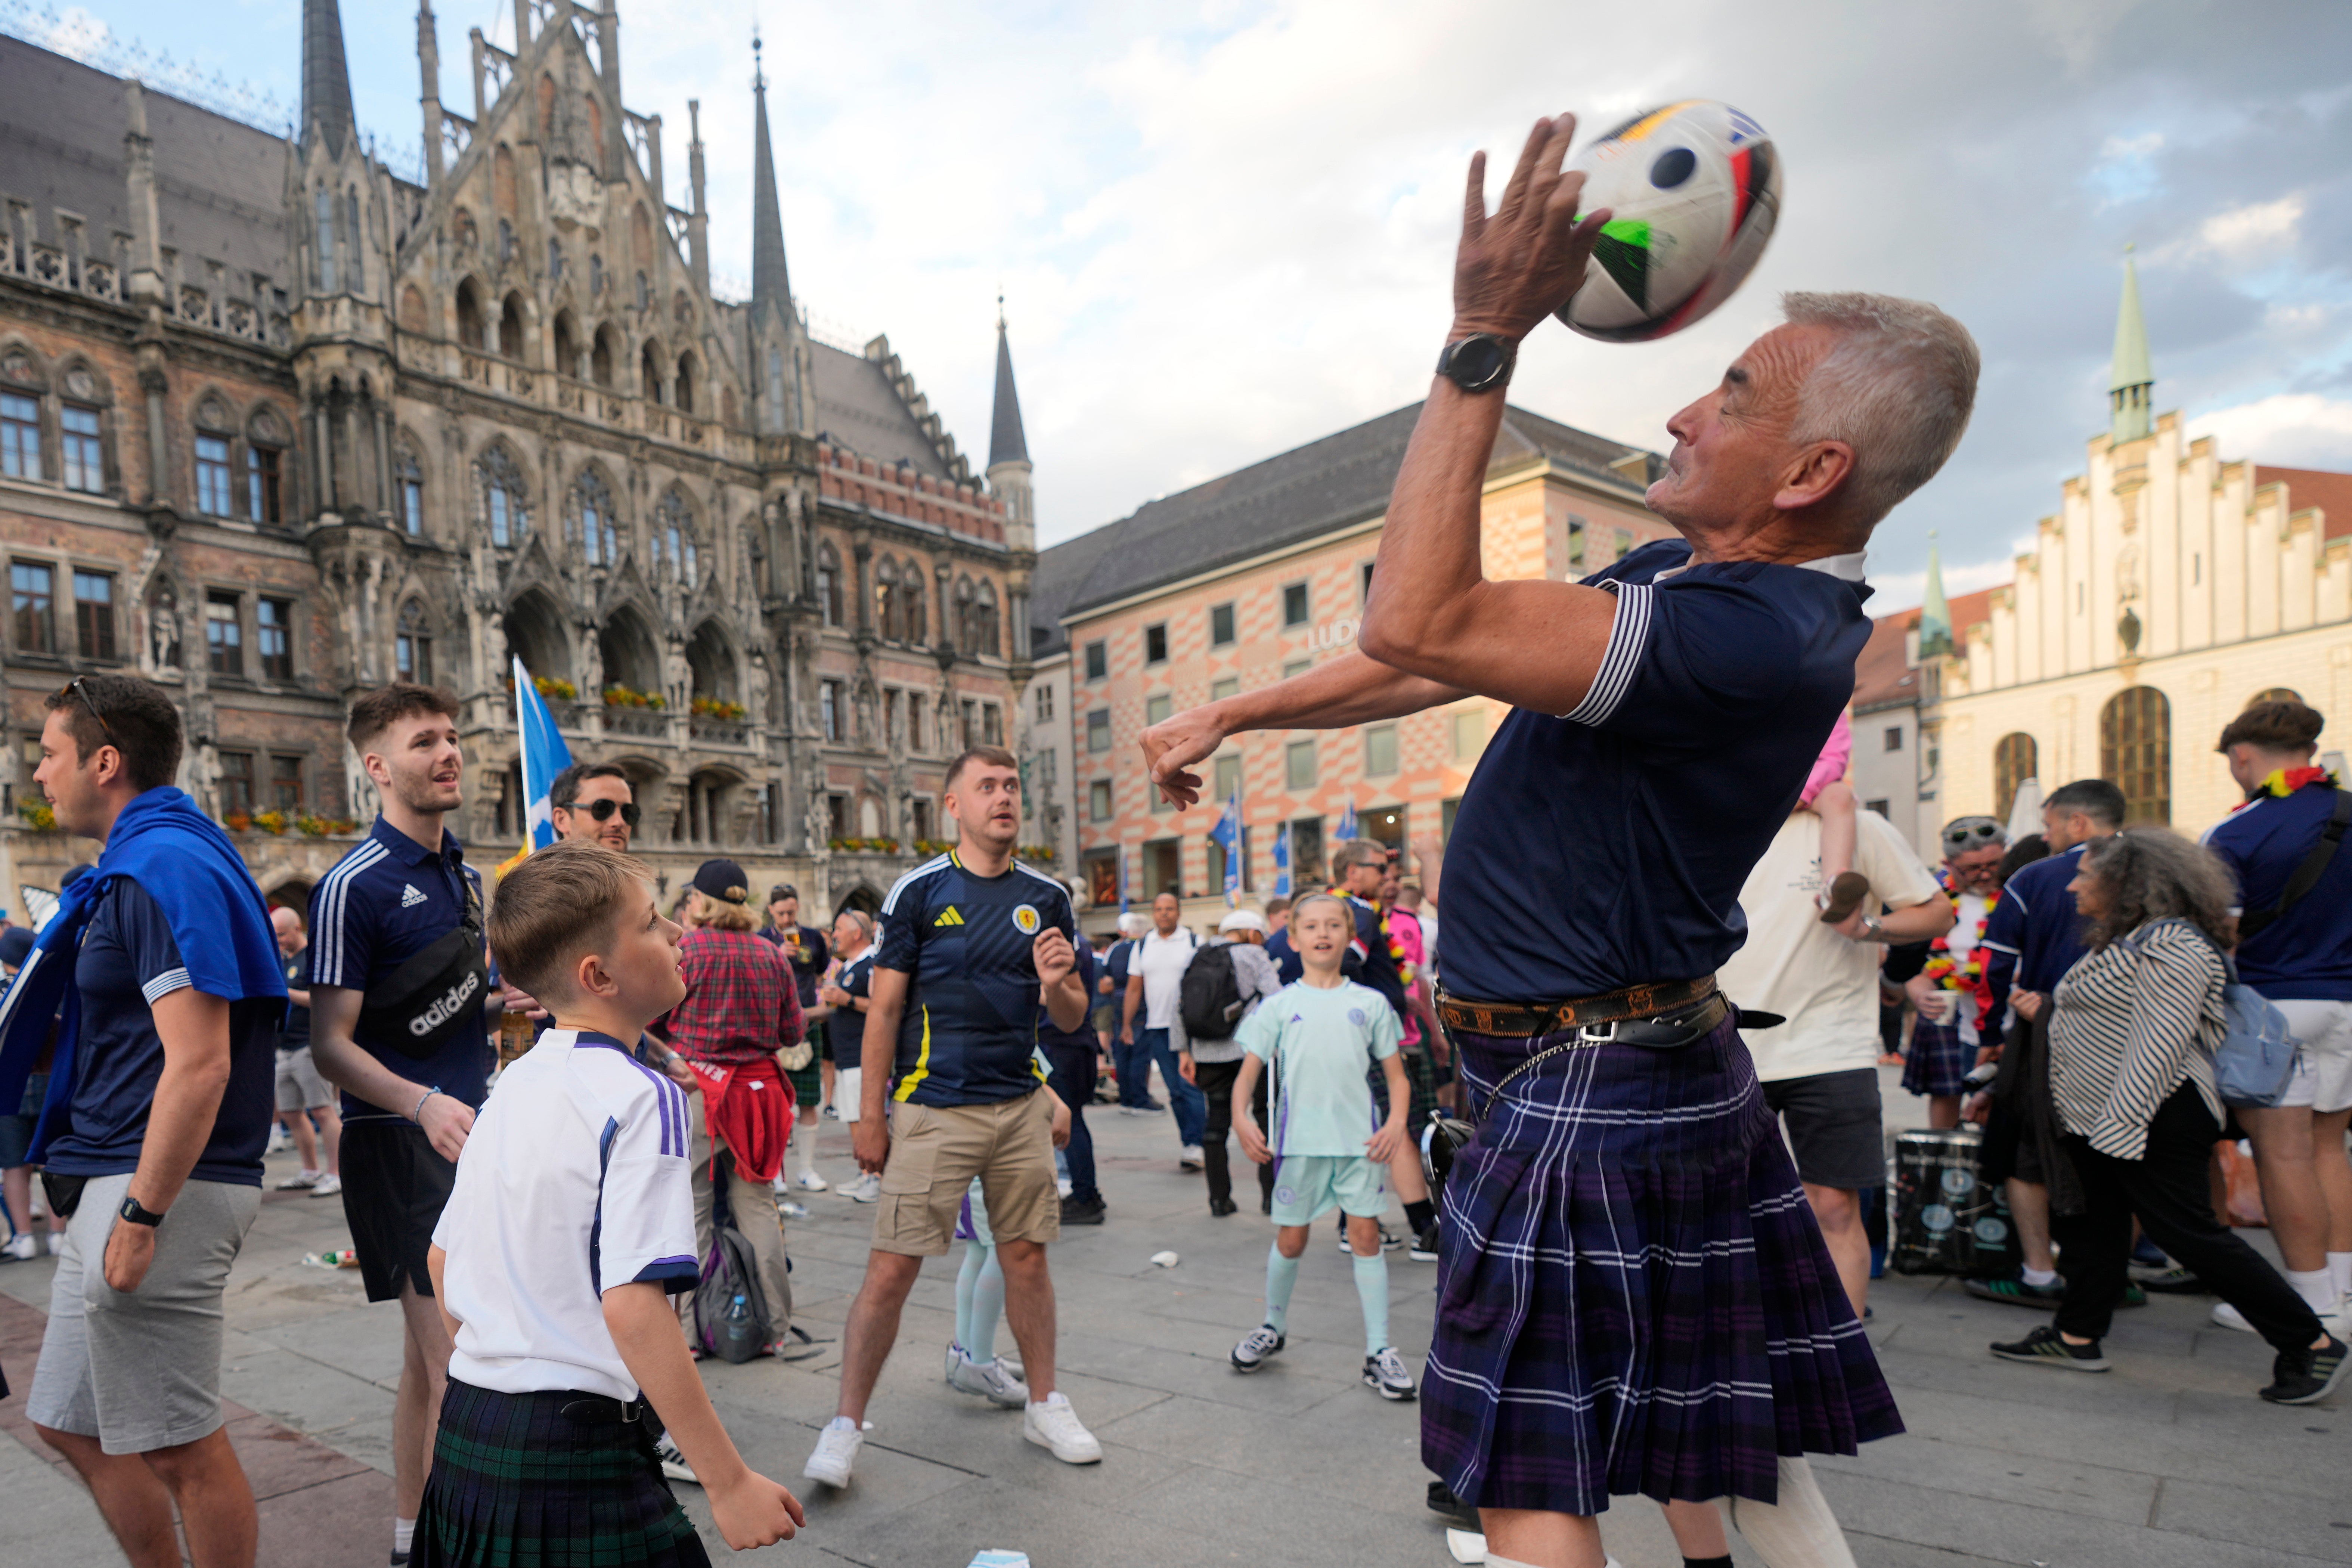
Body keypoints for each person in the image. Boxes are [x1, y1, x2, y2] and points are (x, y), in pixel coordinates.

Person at [1143, 116, 1972, 1566]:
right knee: (1724, 1433)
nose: (1679, 416)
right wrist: (1237, 706)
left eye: (1726, 394)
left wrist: (1479, 334)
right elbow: (1446, 658)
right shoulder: (1699, 579)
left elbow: (1420, 614)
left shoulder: (1750, 634)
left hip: (1588, 1072)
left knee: (1528, 1474)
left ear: (1805, 471)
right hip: (1632, 1056)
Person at [424, 838, 803, 1566]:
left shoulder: (512, 1085)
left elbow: (443, 1261)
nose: (676, 933)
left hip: (473, 1420)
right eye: (654, 920)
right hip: (575, 1441)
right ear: (598, 975)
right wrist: (727, 1482)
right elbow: (634, 1306)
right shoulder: (643, 1096)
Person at [7, 674, 285, 1568]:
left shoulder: (162, 865)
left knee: (178, 1442)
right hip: (118, 1173)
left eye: (48, 754)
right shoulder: (153, 858)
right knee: (68, 1419)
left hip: (159, 1185)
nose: (39, 775)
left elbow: (201, 1059)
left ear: (105, 759)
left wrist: (140, 1213)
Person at [802, 746, 1097, 1487]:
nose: (1003, 797)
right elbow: (887, 1008)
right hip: (933, 1109)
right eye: (986, 786)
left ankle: (1044, 1401)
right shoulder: (918, 891)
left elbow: (1070, 1012)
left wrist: (1058, 981)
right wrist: (870, 1116)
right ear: (955, 807)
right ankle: (844, 1424)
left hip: (1019, 1106)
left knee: (1025, 1256)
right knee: (891, 1267)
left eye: (1011, 786)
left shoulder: (1048, 895)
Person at [1989, 829, 2348, 1403]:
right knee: (2093, 1227)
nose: (2073, 883)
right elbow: (2116, 1020)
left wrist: (2121, 1126)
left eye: (2085, 874)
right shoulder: (2130, 939)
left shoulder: (2171, 943)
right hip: (2105, 1114)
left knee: (2190, 1234)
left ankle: (2311, 1342)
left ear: (2128, 881)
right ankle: (2076, 1334)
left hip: (2153, 1113)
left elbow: (2161, 1042)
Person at [306, 684, 493, 1568]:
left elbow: (442, 1008)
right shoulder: (352, 884)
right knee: (462, 1359)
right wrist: (418, 1100)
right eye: (425, 741)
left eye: (454, 735)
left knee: (429, 1363)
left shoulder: (465, 873)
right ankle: (472, 1543)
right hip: (396, 1148)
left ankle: (412, 1533)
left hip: (470, 1138)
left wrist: (505, 998)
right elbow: (332, 1047)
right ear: (377, 766)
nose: (448, 751)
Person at [1716, 801, 1953, 1315]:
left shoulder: (1854, 827)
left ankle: (1846, 1361)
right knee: (1713, 1210)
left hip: (1828, 1047)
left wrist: (1865, 928)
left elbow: (1936, 912)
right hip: (1717, 1042)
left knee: (1834, 1205)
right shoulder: (1705, 812)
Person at [1227, 893, 1419, 1399]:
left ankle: (1379, 1350)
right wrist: (1240, 1117)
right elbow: (1246, 1076)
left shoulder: (1370, 1003)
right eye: (1311, 925)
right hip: (1299, 1146)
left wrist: (1397, 1122)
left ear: (1347, 935)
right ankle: (1273, 1325)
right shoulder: (1280, 1005)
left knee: (1366, 1239)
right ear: (1293, 938)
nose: (1323, 932)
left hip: (1360, 1144)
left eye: (1334, 924)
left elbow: (1397, 1079)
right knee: (1291, 1240)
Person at [2201, 699, 2352, 1330]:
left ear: (2242, 757)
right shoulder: (2346, 809)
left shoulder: (2238, 831)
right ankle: (2345, 1292)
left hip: (2274, 1007)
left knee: (2281, 1153)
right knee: (2330, 1147)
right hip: (2346, 999)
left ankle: (2311, 1302)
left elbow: (2219, 940)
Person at [1967, 780, 2126, 1307]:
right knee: (2121, 1151)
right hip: (2134, 1036)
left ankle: (2039, 1273)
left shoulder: (2036, 876)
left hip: (2045, 1033)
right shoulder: (2159, 868)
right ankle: (2111, 1276)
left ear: (2078, 822)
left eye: (2051, 822)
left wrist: (1990, 1038)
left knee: (2026, 1154)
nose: (2047, 833)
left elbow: (1995, 966)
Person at [655, 859, 803, 1364]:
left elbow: (652, 1018)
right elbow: (793, 1033)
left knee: (692, 1209)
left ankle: (688, 1336)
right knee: (758, 1207)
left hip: (700, 1089)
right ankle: (778, 1328)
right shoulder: (771, 953)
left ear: (701, 901)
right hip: (758, 1096)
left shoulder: (687, 951)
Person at [1330, 840, 1441, 1258]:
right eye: (1378, 868)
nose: (1386, 876)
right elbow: (1343, 967)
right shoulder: (1355, 912)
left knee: (1373, 1131)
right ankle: (1424, 1231)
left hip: (1370, 1038)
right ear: (1353, 872)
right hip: (1372, 1041)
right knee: (1398, 1131)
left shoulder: (1355, 911)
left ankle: (1354, 1225)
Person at [1899, 816, 2006, 1129]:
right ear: (1948, 864)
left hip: (2003, 1017)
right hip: (1951, 1016)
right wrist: (1918, 991)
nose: (1985, 874)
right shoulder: (1931, 898)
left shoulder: (2018, 893)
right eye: (1972, 869)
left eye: (1994, 863)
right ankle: (1942, 1165)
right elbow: (1912, 962)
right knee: (1946, 1095)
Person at [1176, 907, 1284, 1216]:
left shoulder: (1195, 956)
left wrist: (1184, 1051)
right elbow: (1276, 998)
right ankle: (1270, 1197)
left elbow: (1178, 1006)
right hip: (1253, 1053)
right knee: (1265, 1118)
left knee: (1216, 1124)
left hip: (1208, 1053)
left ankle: (1219, 1199)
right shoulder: (1252, 954)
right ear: (1251, 933)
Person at [1120, 891, 1209, 1165]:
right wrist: (1125, 1024)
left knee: (1190, 1086)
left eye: (1169, 909)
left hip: (1189, 1028)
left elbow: (1207, 985)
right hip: (1157, 1027)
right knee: (1174, 1091)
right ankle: (1190, 1143)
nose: (1164, 914)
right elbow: (1134, 988)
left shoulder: (1194, 942)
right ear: (1154, 913)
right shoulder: (1144, 944)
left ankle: (1198, 1144)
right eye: (1159, 909)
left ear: (1178, 912)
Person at [0, 923, 67, 1259]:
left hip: (8, 1093)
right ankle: (58, 1235)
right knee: (52, 1161)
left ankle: (24, 1237)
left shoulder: (2, 992)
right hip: (49, 1089)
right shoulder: (48, 989)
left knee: (15, 1167)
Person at [267, 907, 341, 1197]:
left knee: (322, 1111)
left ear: (297, 928)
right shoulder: (286, 961)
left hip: (308, 1047)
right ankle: (310, 1171)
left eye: (282, 935)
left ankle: (336, 1173)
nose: (279, 940)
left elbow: (322, 1000)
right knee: (290, 1113)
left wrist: (284, 992)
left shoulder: (314, 957)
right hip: (284, 1049)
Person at [759, 884, 833, 1149]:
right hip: (772, 1027)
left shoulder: (813, 938)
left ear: (798, 907)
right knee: (775, 1099)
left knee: (809, 1100)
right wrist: (777, 956)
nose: (787, 919)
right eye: (781, 914)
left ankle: (806, 1169)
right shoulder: (762, 940)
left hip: (807, 1023)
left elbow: (821, 973)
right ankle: (779, 1173)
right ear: (771, 911)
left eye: (791, 913)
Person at [1042, 922, 1107, 1226]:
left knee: (1069, 1120)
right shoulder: (1078, 942)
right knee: (1075, 1118)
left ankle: (1084, 1195)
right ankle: (1085, 1193)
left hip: (1060, 1043)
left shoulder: (1059, 944)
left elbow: (1055, 993)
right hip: (1076, 1042)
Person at [818, 916, 883, 1205]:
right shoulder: (848, 965)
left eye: (839, 929)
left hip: (863, 1054)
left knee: (864, 1115)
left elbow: (885, 1007)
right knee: (852, 1116)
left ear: (857, 933)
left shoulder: (873, 964)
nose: (834, 934)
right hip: (846, 1055)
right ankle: (865, 1171)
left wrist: (847, 1000)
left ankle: (877, 1177)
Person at [1103, 912, 1159, 1112]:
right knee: (1140, 1054)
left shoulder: (1115, 950)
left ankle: (1126, 1098)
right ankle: (1140, 1099)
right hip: (1140, 1006)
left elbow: (1105, 981)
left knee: (1123, 1054)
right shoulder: (1145, 948)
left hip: (1117, 1005)